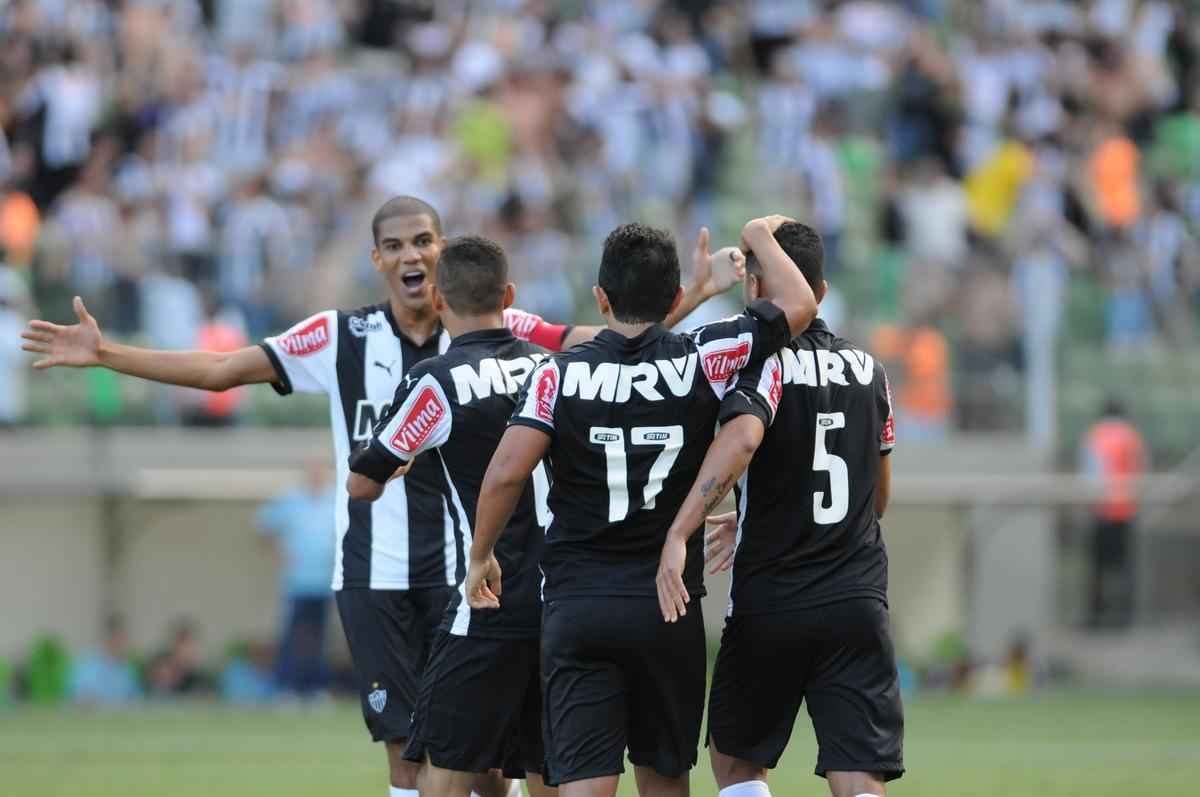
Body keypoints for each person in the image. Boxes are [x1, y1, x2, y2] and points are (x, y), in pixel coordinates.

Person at [19, 196, 731, 797]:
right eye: (395, 245)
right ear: (379, 260)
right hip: (377, 576)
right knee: (412, 758)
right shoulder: (338, 335)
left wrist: (684, 297)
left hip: (482, 580)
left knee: (494, 763)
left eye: (423, 239)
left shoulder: (503, 330)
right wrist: (108, 353)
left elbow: (609, 339)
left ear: (443, 254)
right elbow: (218, 369)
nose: (411, 253)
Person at [464, 217, 817, 797]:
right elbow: (798, 302)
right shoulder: (706, 355)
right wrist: (757, 233)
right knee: (664, 779)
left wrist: (482, 555)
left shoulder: (557, 373)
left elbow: (505, 473)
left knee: (584, 780)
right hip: (667, 603)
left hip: (578, 604)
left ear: (601, 297)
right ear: (677, 297)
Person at [656, 221, 904, 797]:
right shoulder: (872, 371)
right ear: (820, 291)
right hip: (856, 600)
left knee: (737, 764)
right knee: (858, 773)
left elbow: (742, 440)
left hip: (774, 598)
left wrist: (683, 528)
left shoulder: (763, 360)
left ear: (757, 287)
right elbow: (878, 496)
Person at [346, 235, 555, 797]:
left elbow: (362, 481)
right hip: (560, 602)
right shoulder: (552, 368)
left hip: (485, 603)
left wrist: (405, 460)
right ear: (508, 295)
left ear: (439, 300)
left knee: (444, 763)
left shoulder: (435, 380)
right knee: (548, 767)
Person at [258, 458, 337, 699]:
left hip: (325, 582)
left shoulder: (334, 498)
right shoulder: (291, 500)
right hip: (297, 583)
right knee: (293, 636)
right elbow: (263, 524)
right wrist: (278, 552)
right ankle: (287, 687)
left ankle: (315, 688)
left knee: (320, 637)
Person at [1079, 397, 1147, 628]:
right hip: (1126, 509)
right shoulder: (1131, 436)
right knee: (1124, 566)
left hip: (1103, 510)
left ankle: (1097, 616)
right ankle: (1124, 617)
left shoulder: (1097, 435)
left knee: (1098, 567)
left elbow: (1091, 473)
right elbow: (1140, 469)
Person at [70, 614, 142, 706]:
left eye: (122, 637)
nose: (119, 642)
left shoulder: (128, 670)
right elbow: (79, 698)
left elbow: (136, 700)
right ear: (106, 638)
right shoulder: (88, 666)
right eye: (115, 637)